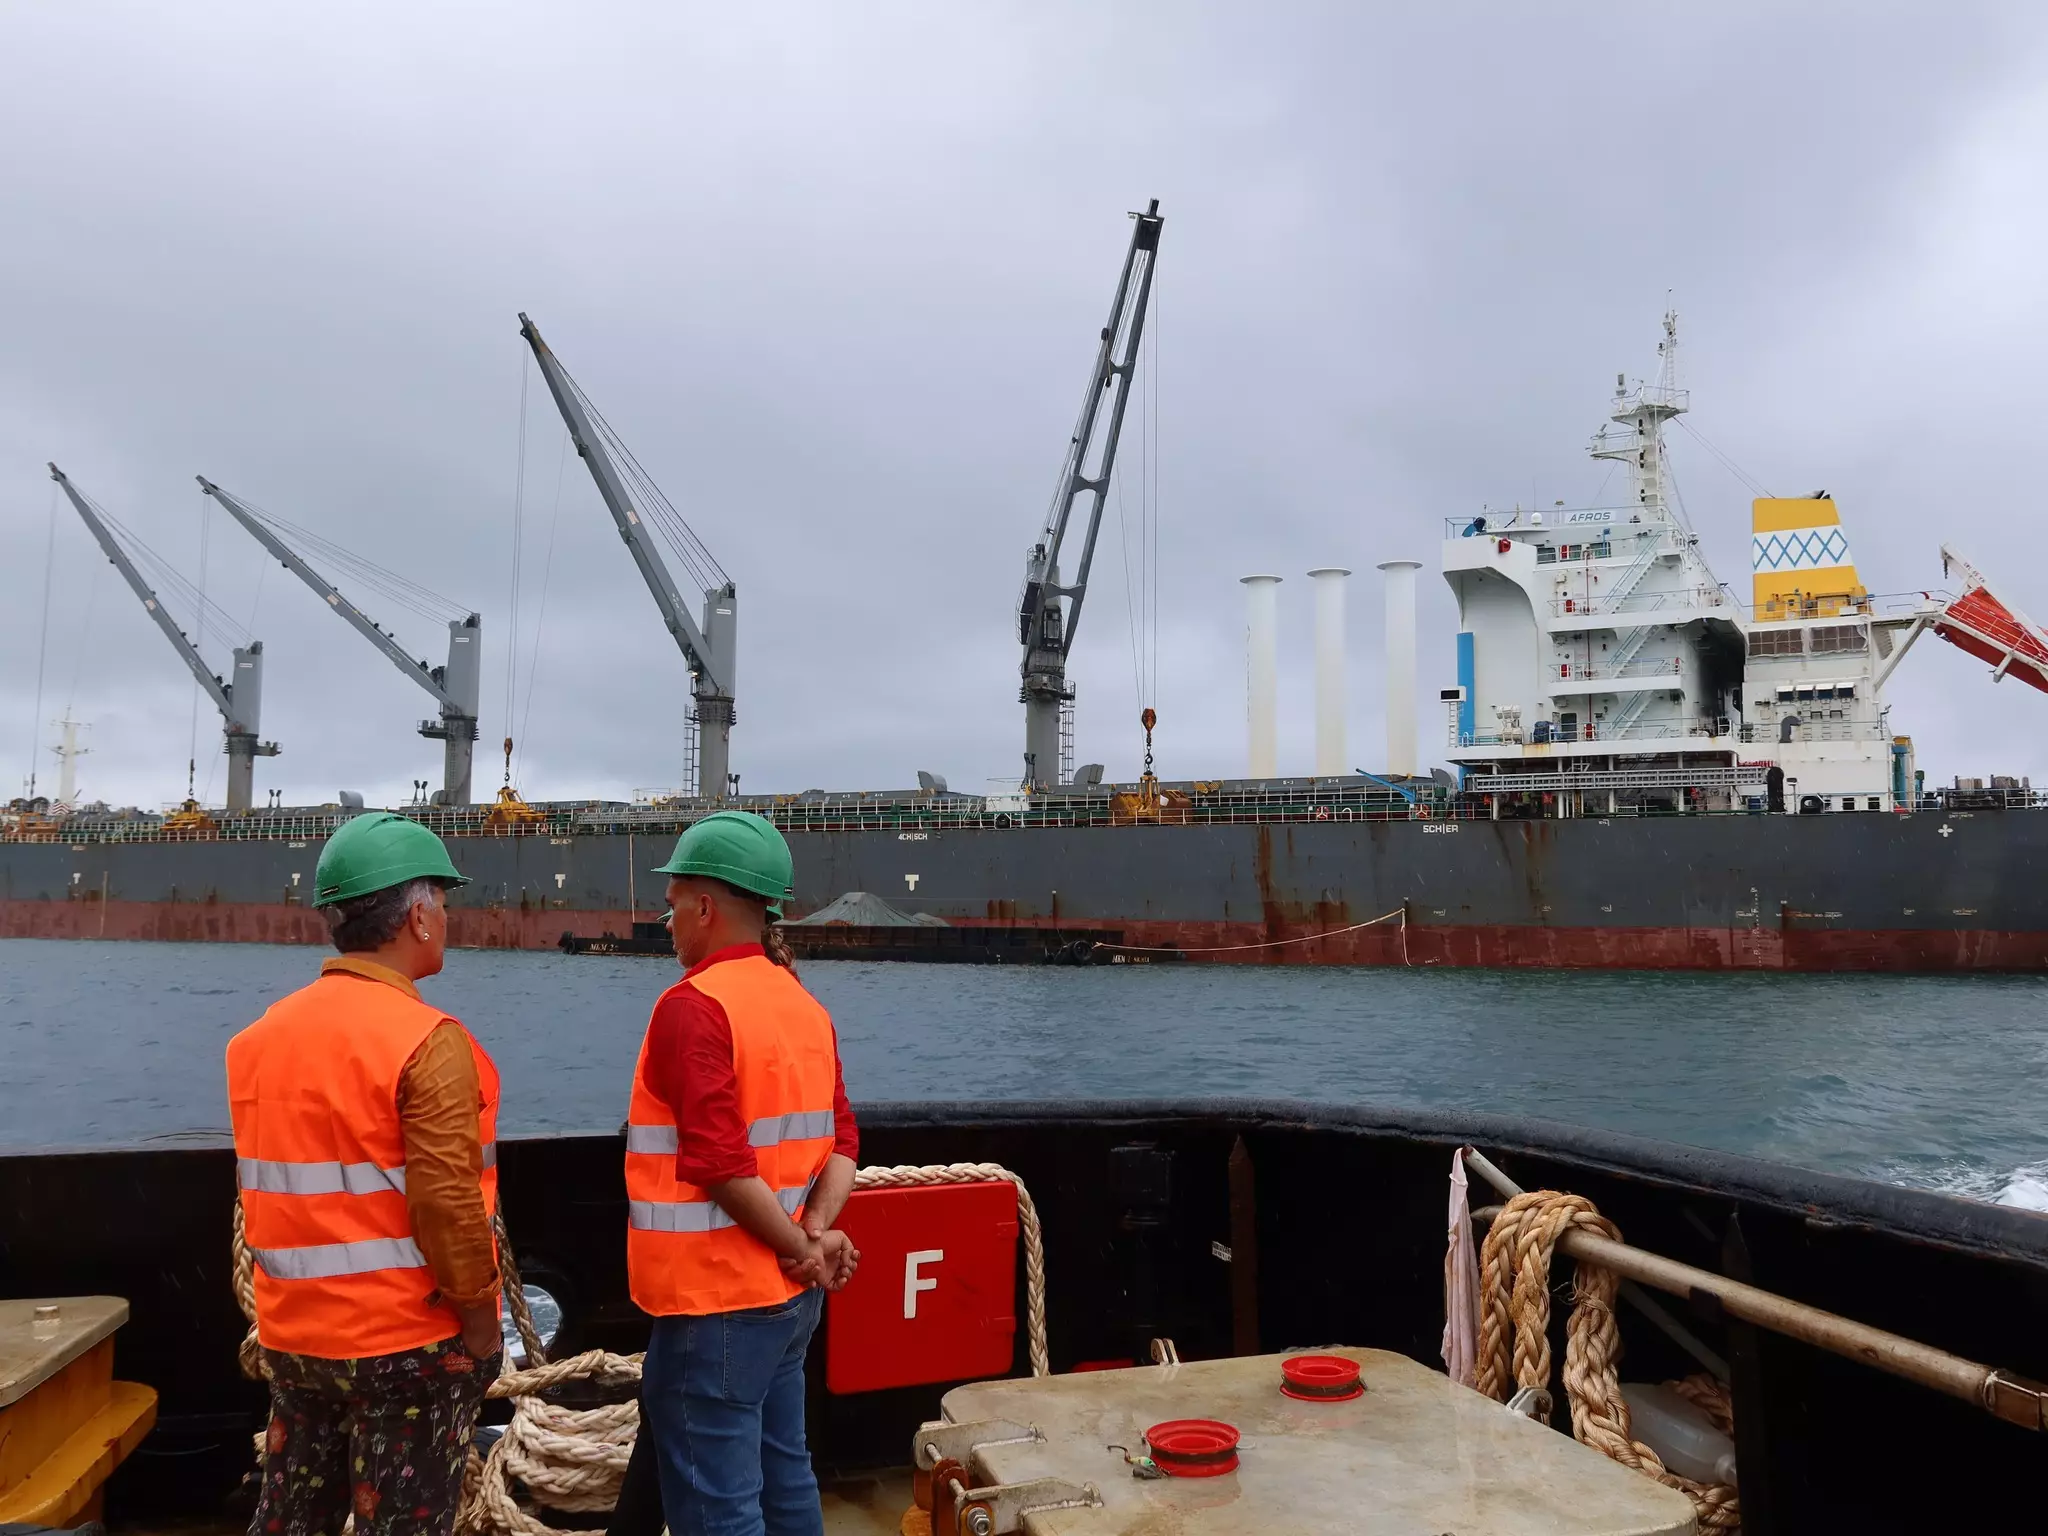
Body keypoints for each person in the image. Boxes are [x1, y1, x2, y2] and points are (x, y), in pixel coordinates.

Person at [227, 812, 502, 1536]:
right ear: (417, 915)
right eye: (442, 900)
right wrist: (479, 1324)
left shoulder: (257, 1041)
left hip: (295, 1342)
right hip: (403, 1346)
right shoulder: (427, 1043)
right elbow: (446, 1204)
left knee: (292, 1519)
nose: (446, 914)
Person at [624, 811, 861, 1536]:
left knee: (718, 1510)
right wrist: (815, 1235)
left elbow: (721, 1166)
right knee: (787, 1474)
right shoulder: (804, 1006)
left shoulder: (692, 1008)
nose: (668, 925)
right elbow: (843, 1141)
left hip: (713, 1303)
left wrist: (799, 1244)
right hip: (791, 1302)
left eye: (672, 907)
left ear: (703, 907)